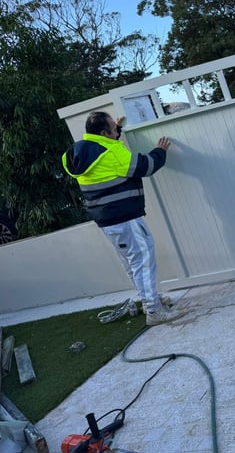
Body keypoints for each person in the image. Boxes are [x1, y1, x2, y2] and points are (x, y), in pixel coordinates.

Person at [62, 112, 183, 325]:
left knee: (133, 262)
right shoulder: (111, 153)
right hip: (124, 218)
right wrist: (160, 151)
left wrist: (115, 131)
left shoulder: (81, 151)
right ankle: (154, 312)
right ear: (103, 133)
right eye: (113, 127)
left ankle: (149, 301)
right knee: (143, 261)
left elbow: (107, 155)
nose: (117, 128)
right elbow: (145, 166)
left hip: (108, 220)